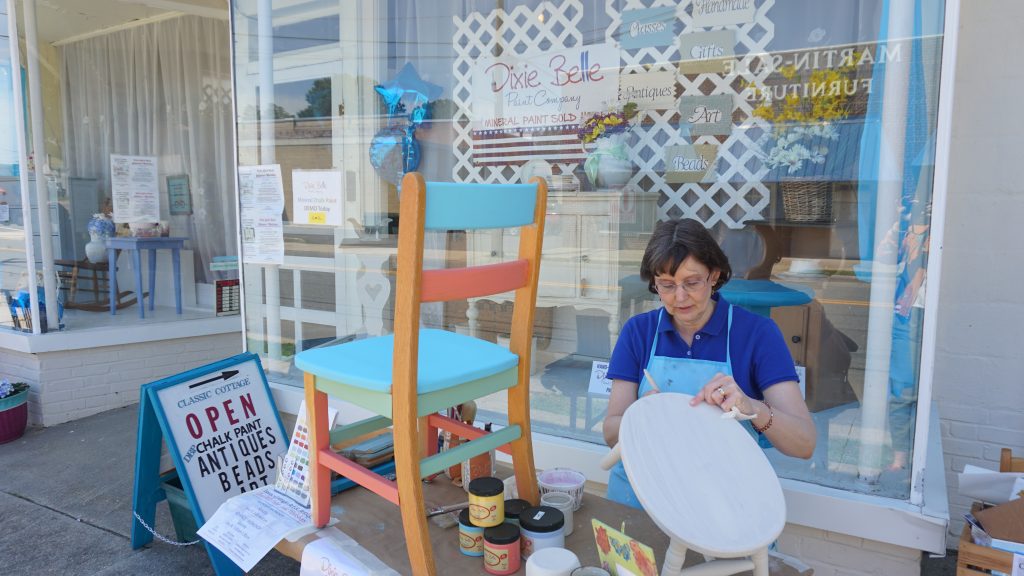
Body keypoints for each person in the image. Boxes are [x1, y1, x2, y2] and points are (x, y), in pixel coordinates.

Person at [602, 219, 816, 509]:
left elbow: (803, 443)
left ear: (714, 275)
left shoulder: (755, 334)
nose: (679, 297)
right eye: (666, 285)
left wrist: (753, 409)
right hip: (641, 495)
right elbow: (610, 431)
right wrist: (640, 417)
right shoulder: (638, 332)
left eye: (691, 283)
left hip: (721, 504)